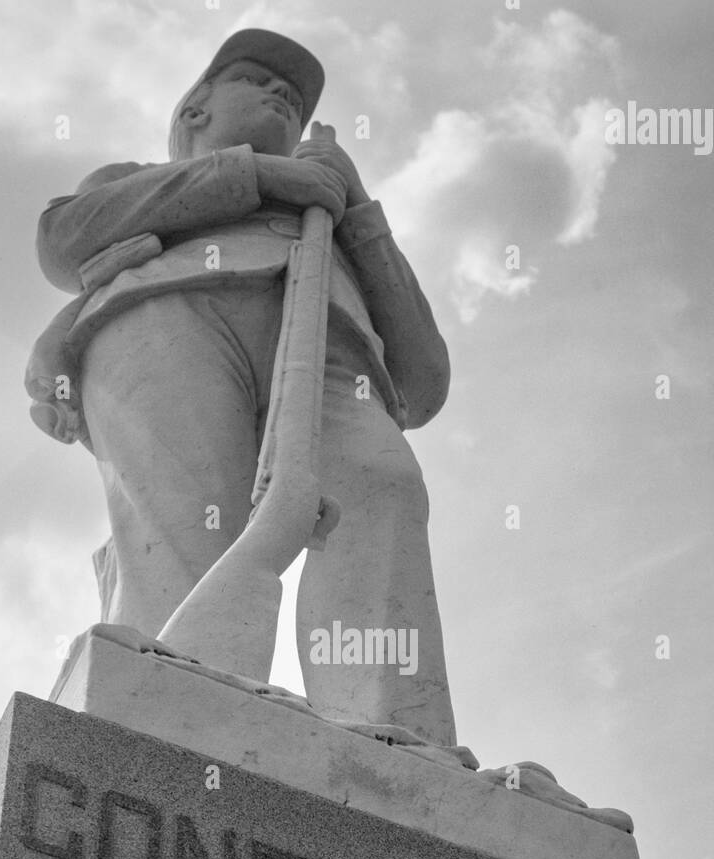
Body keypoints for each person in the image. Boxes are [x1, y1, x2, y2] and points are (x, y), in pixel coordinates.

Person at [29, 27, 458, 749]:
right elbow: (64, 240)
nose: (280, 94)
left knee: (379, 486)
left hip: (328, 345)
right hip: (165, 316)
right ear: (195, 111)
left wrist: (355, 208)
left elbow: (421, 381)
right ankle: (166, 721)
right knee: (186, 520)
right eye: (256, 80)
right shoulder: (130, 179)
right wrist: (256, 179)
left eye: (290, 94)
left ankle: (395, 737)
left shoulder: (340, 218)